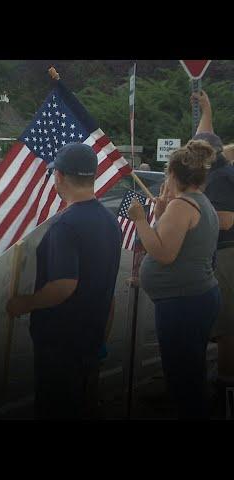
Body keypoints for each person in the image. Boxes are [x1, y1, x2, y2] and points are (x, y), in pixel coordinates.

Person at [6, 143, 122, 419]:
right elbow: (107, 286)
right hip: (91, 339)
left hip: (62, 343)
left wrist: (24, 303)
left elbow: (63, 285)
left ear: (59, 176)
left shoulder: (64, 226)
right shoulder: (109, 221)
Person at [130, 140, 221, 419]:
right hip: (196, 298)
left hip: (183, 303)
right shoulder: (201, 202)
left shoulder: (181, 205)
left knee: (182, 375)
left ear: (173, 175)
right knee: (191, 370)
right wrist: (158, 216)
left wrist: (140, 220)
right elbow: (179, 245)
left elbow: (163, 253)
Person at [191, 90, 234, 399]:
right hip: (221, 253)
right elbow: (205, 137)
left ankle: (226, 382)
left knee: (227, 324)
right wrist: (207, 108)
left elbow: (226, 220)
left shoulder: (220, 178)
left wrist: (190, 214)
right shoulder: (218, 164)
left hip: (227, 253)